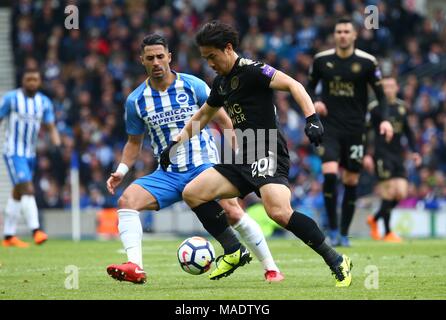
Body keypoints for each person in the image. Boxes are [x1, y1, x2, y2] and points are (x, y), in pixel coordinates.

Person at [161, 21, 353, 287]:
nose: (210, 64)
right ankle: (233, 250)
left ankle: (336, 260)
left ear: (228, 48)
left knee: (279, 212)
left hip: (267, 148)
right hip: (243, 155)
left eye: (212, 57)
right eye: (205, 59)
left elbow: (294, 85)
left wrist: (312, 118)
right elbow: (204, 115)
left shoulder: (254, 70)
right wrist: (176, 144)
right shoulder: (221, 83)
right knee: (193, 192)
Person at [106, 34, 284, 284]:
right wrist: (122, 170)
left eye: (160, 56)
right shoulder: (136, 101)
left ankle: (271, 268)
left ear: (169, 57)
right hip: (167, 174)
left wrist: (243, 156)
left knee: (233, 211)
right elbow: (134, 142)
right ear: (142, 61)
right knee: (127, 200)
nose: (156, 62)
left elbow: (225, 122)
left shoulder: (193, 85)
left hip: (203, 165)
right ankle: (135, 266)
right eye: (150, 58)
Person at [307, 17, 393, 247]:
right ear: (334, 35)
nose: (343, 35)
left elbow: (381, 95)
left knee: (351, 180)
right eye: (339, 31)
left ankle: (344, 233)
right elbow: (307, 88)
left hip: (356, 129)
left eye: (347, 31)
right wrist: (315, 101)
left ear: (354, 35)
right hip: (330, 127)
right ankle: (333, 230)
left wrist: (384, 120)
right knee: (330, 174)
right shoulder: (321, 61)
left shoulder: (367, 62)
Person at [0, 67, 61, 247]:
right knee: (27, 188)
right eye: (29, 79)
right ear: (23, 81)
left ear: (39, 81)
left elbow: (50, 126)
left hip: (30, 154)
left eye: (35, 79)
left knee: (17, 193)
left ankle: (9, 236)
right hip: (13, 152)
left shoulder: (44, 102)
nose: (32, 83)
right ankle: (36, 230)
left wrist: (57, 143)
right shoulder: (12, 99)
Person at [363, 77, 422, 242]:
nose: (388, 89)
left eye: (391, 86)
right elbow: (366, 133)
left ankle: (374, 219)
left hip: (398, 154)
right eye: (385, 86)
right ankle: (388, 232)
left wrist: (415, 151)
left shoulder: (402, 107)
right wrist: (366, 154)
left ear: (396, 88)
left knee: (401, 192)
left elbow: (408, 132)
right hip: (381, 154)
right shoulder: (374, 108)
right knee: (388, 192)